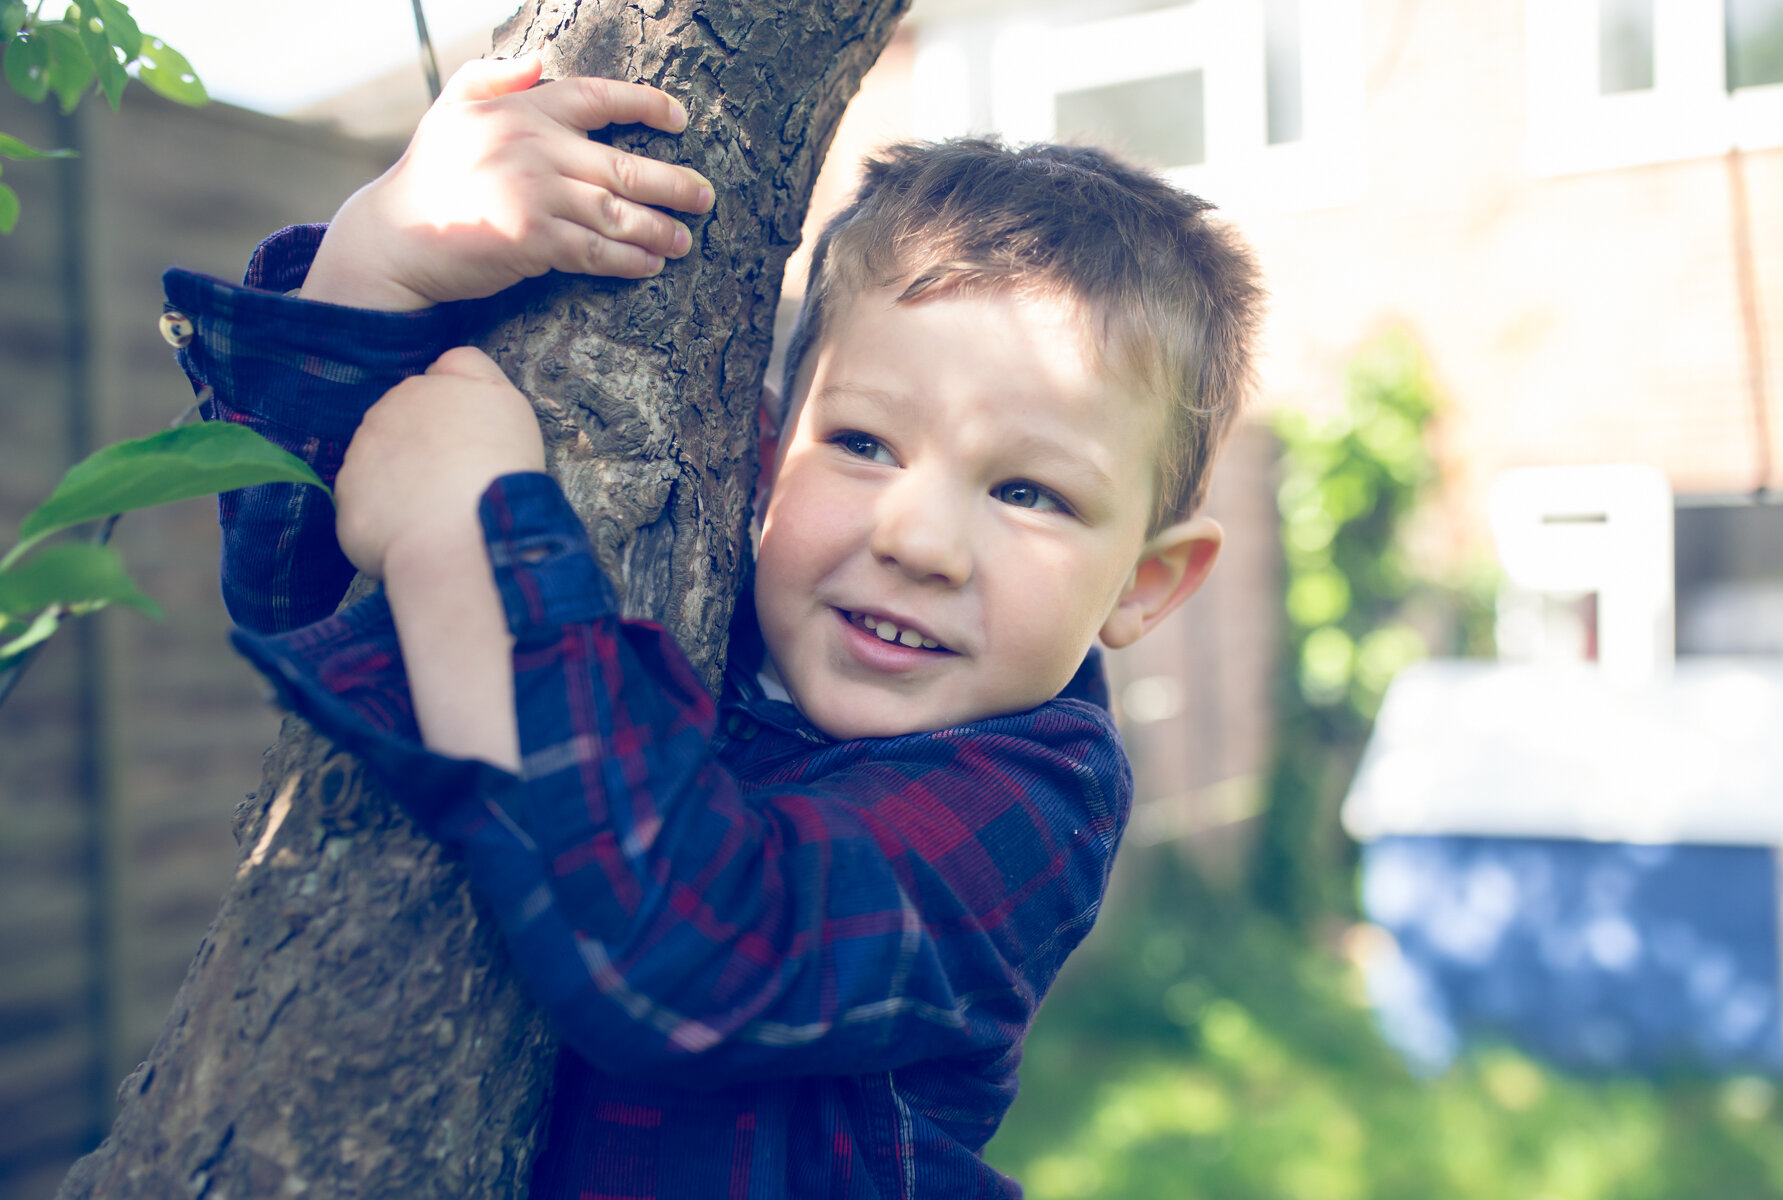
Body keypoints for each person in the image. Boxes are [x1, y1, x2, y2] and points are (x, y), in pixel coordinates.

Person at [161, 53, 1261, 1199]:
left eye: (1028, 494)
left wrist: (460, 542)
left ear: (1145, 583)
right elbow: (300, 588)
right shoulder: (718, 570)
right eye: (864, 443)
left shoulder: (1032, 800)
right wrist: (372, 263)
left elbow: (694, 950)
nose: (915, 539)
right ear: (771, 446)